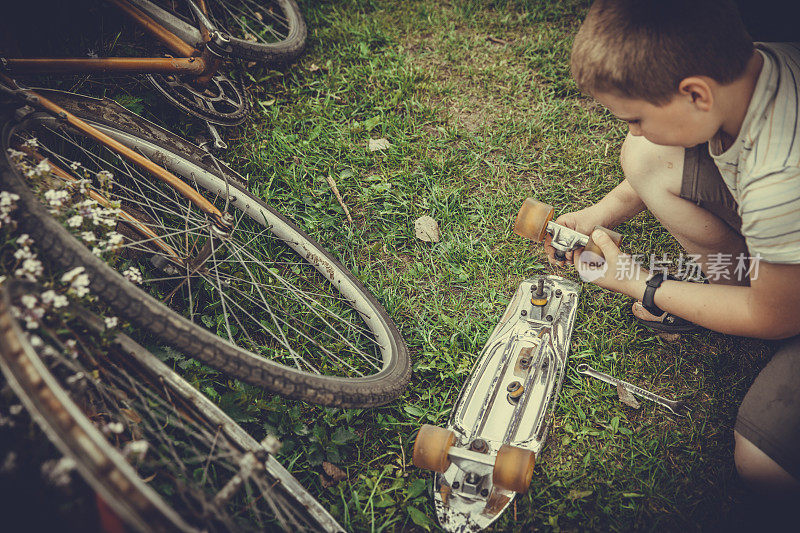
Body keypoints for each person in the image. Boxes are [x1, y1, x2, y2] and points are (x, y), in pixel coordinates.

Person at [547, 0, 800, 503]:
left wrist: (643, 284)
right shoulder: (754, 70)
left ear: (695, 95)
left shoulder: (779, 181)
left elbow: (776, 317)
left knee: (761, 464)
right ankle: (728, 291)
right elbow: (653, 157)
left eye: (636, 116)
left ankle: (720, 300)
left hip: (785, 304)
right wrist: (597, 215)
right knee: (648, 158)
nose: (632, 128)